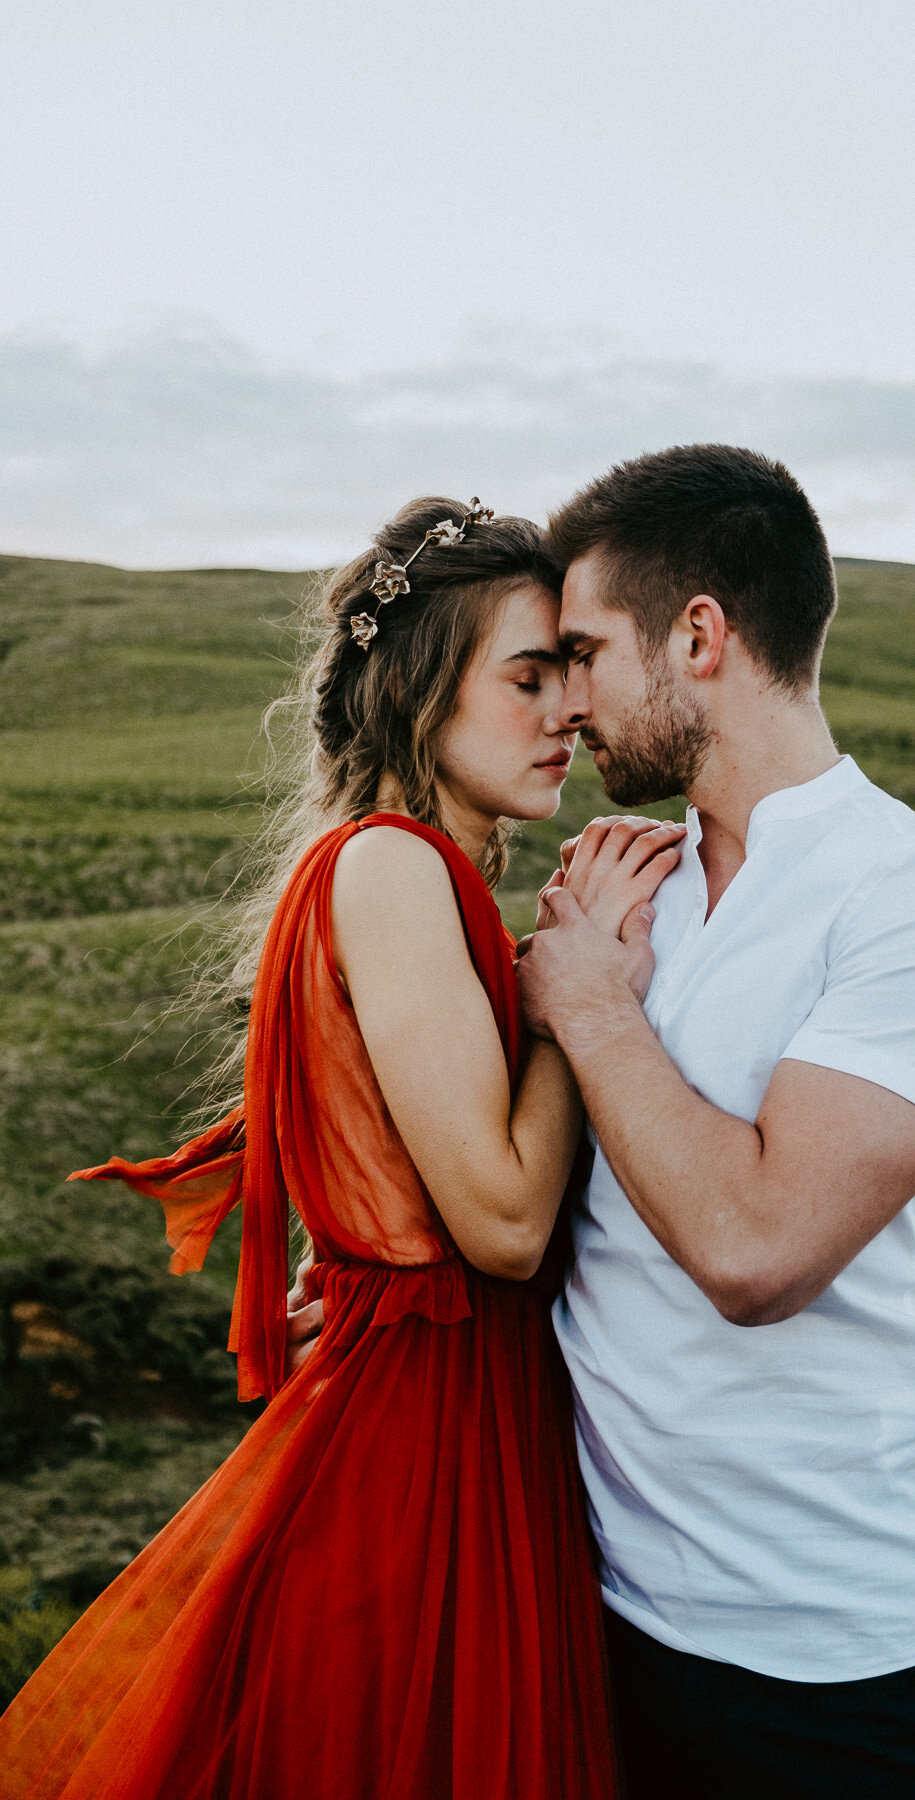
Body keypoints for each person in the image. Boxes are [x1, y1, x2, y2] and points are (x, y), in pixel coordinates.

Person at [0, 497, 684, 1800]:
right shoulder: (394, 869)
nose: (568, 716)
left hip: (466, 1430)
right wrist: (584, 995)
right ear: (421, 691)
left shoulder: (423, 878)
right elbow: (503, 1223)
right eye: (527, 677)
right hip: (419, 1456)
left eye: (572, 676)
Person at [514, 445, 915, 1798]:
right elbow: (575, 1218)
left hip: (854, 1668)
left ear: (699, 636)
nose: (565, 703)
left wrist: (591, 1007)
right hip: (607, 1622)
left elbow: (759, 1253)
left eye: (582, 652)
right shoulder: (627, 891)